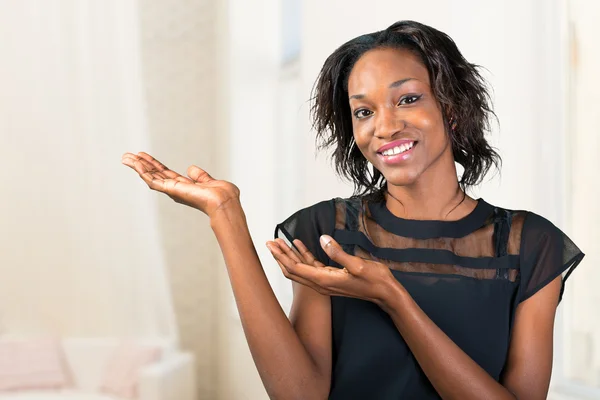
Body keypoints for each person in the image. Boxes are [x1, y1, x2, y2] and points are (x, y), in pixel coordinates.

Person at [122, 20, 585, 400]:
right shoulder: (327, 230)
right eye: (363, 112)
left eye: (408, 99)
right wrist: (225, 215)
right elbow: (299, 394)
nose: (384, 126)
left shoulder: (531, 246)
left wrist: (394, 299)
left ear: (454, 109)